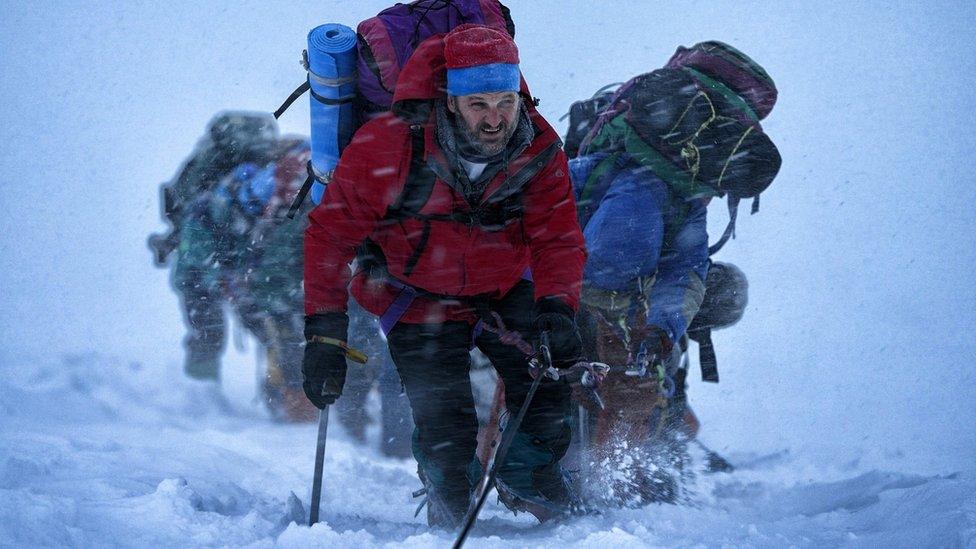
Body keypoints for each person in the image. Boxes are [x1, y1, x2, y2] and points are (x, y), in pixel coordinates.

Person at [300, 24, 587, 527]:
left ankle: (527, 476)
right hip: (413, 296)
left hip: (502, 287)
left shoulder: (539, 150)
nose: (495, 118)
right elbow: (329, 236)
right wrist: (324, 333)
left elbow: (558, 237)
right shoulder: (387, 144)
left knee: (551, 376)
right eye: (478, 103)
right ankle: (449, 497)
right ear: (451, 101)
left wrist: (557, 306)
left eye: (505, 100)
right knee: (446, 423)